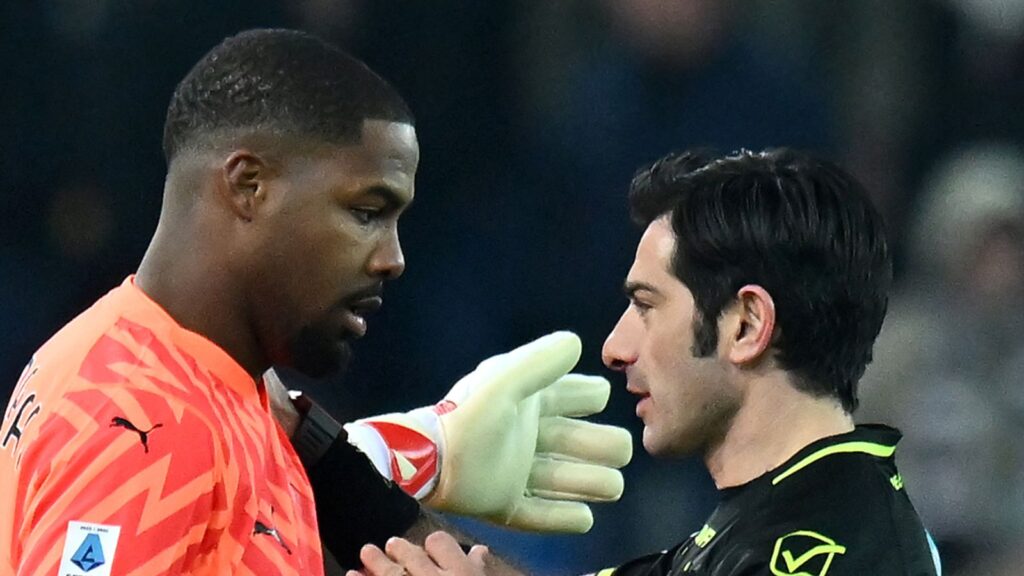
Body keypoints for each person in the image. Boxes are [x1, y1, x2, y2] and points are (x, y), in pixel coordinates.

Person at [0, 29, 632, 576]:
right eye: (366, 211)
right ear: (250, 186)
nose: (393, 257)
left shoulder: (232, 392)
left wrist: (412, 452)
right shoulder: (135, 418)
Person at [354, 148, 943, 575]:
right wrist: (392, 455)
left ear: (746, 325)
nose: (614, 347)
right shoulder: (751, 533)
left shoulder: (842, 551)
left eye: (646, 305)